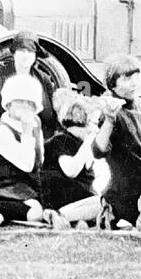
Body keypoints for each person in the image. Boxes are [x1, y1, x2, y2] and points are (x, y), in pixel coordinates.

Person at [0, 74, 47, 226]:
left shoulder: (36, 122)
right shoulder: (2, 129)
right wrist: (26, 133)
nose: (25, 107)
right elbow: (26, 164)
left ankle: (2, 215)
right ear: (8, 105)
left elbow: (40, 159)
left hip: (30, 186)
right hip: (8, 188)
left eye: (30, 103)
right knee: (35, 213)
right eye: (19, 102)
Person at [92, 54, 141, 228]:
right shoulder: (114, 111)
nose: (134, 83)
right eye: (126, 78)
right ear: (113, 85)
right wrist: (109, 120)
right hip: (126, 193)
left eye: (136, 76)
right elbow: (98, 150)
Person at [0, 26, 57, 140]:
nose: (25, 55)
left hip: (36, 135)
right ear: (13, 53)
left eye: (30, 51)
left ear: (35, 56)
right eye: (21, 51)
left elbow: (50, 118)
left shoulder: (43, 79)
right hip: (5, 135)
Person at [40, 93, 104, 226]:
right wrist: (89, 140)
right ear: (81, 120)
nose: (97, 129)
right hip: (61, 197)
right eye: (94, 123)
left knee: (106, 202)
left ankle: (76, 220)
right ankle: (59, 216)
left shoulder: (80, 143)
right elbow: (71, 170)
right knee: (102, 204)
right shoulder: (62, 139)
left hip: (77, 198)